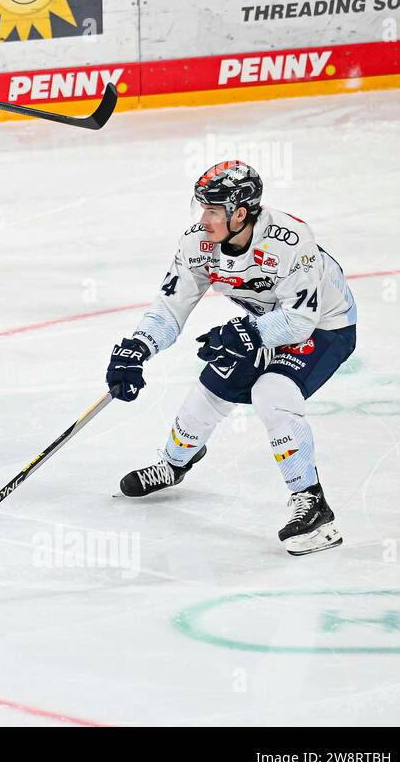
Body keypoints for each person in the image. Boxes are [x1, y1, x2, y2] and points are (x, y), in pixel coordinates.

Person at [106, 160, 358, 556]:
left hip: (326, 325)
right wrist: (137, 347)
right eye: (201, 207)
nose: (202, 219)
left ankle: (314, 508)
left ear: (240, 213)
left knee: (272, 392)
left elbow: (299, 321)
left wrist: (248, 334)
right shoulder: (197, 244)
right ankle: (173, 465)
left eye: (212, 210)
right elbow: (171, 309)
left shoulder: (291, 240)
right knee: (210, 390)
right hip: (266, 323)